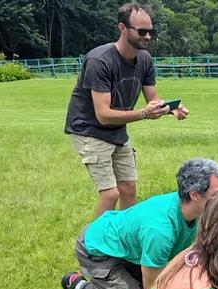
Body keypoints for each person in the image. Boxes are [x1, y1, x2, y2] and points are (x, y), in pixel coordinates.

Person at [65, 2, 190, 218]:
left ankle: (125, 241)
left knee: (129, 190)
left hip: (117, 130)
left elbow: (153, 100)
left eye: (151, 31)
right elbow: (103, 115)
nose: (148, 37)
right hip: (89, 130)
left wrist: (171, 108)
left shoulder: (145, 60)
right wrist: (143, 114)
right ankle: (92, 247)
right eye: (142, 31)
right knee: (110, 194)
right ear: (122, 28)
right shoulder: (100, 61)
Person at [61, 159, 218, 289]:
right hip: (97, 251)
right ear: (195, 195)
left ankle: (126, 277)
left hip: (126, 250)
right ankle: (77, 286)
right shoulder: (160, 230)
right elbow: (153, 287)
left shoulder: (196, 211)